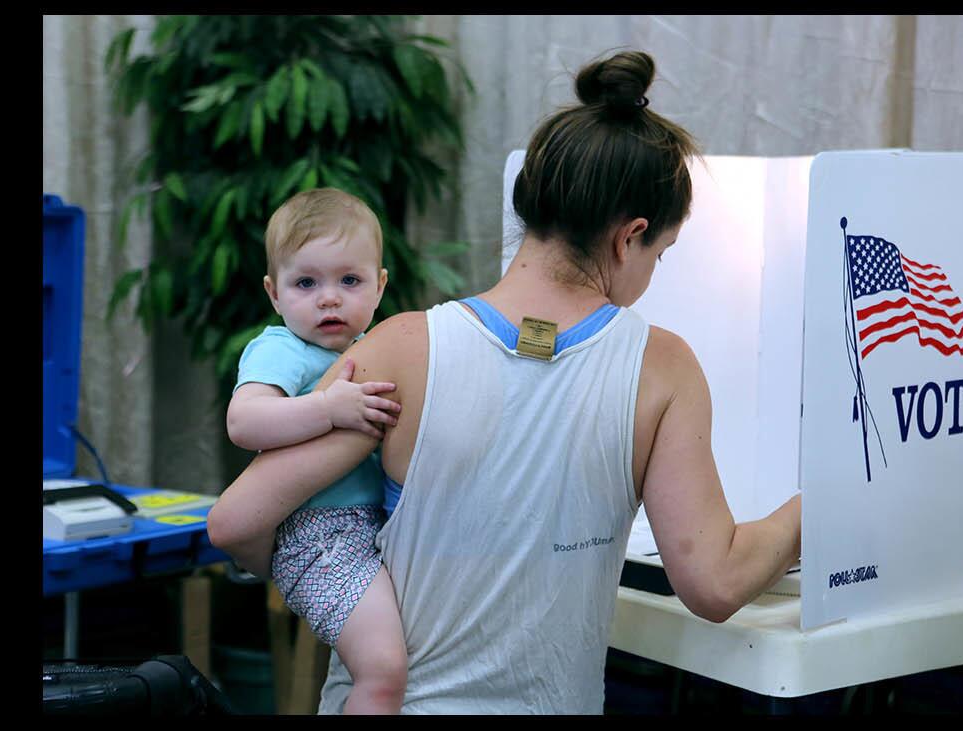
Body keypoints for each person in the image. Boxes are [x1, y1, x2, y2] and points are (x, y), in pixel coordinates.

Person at [208, 50, 802, 714]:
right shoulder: (662, 369)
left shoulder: (403, 348)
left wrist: (308, 571)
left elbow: (236, 520)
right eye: (659, 254)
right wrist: (810, 513)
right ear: (629, 237)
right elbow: (716, 582)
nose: (651, 273)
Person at [224, 188, 407, 714]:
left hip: (370, 528)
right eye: (306, 283)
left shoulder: (373, 349)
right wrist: (328, 409)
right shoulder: (281, 348)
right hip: (318, 535)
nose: (329, 298)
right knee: (384, 668)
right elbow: (244, 421)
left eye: (349, 280)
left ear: (379, 286)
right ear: (274, 293)